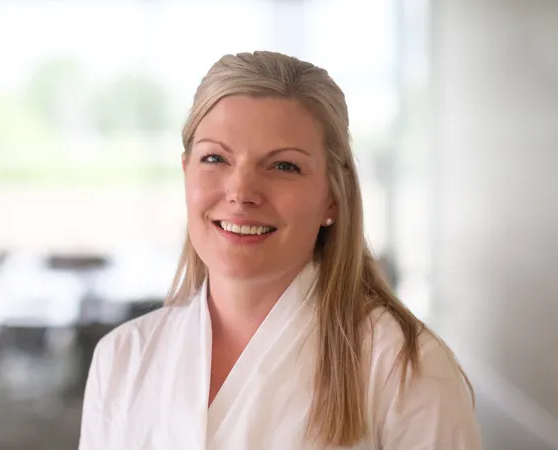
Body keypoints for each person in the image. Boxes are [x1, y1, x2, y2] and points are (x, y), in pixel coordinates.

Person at [78, 51, 481, 449]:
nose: (241, 192)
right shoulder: (121, 358)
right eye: (215, 158)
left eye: (283, 166)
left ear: (332, 198)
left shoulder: (406, 368)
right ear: (187, 173)